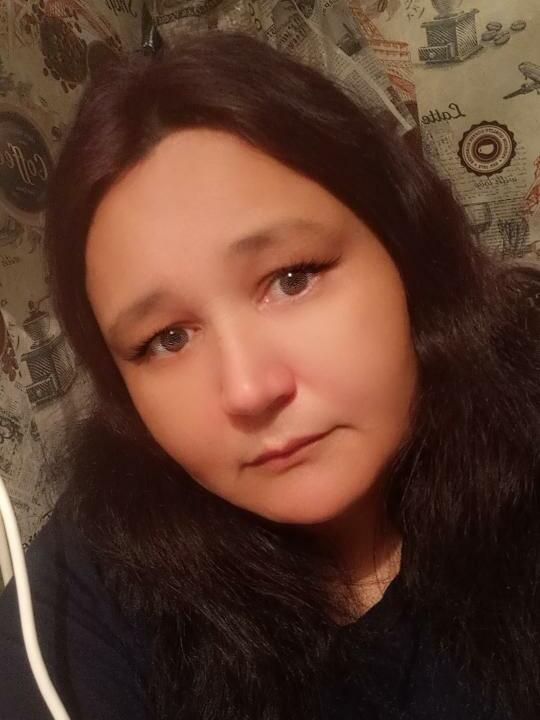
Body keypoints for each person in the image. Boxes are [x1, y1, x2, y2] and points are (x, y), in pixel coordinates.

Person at [1, 30, 539, 720]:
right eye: (166, 339)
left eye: (291, 278)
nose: (250, 391)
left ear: (402, 248)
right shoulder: (81, 596)